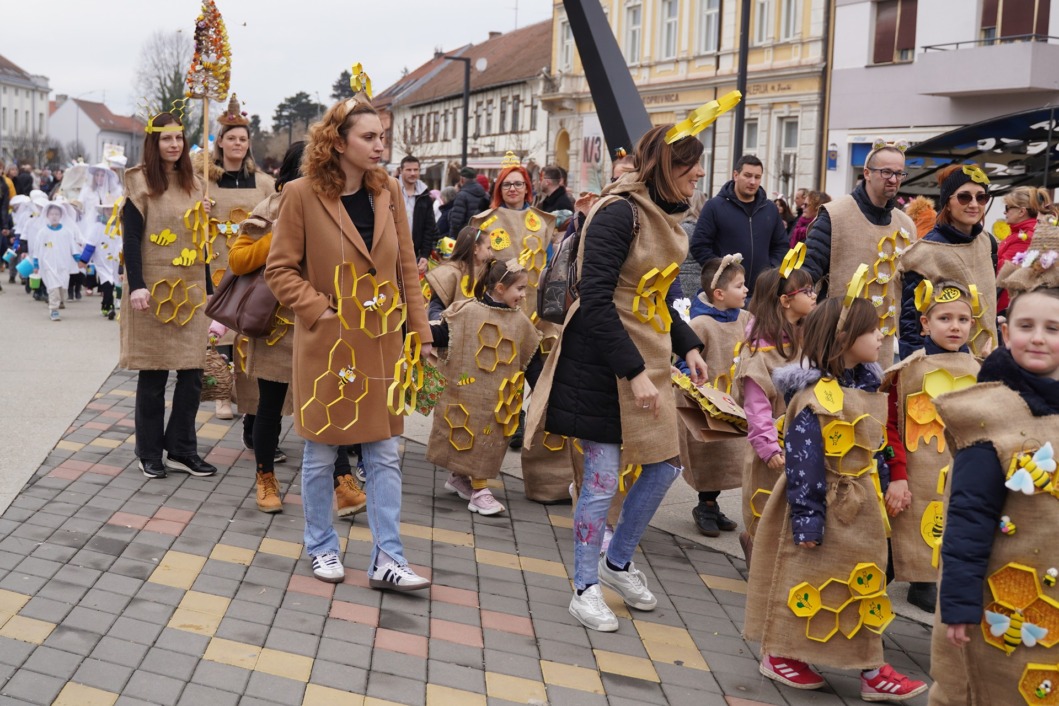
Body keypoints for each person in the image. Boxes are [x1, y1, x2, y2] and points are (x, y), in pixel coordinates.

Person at [525, 124, 709, 632]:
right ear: (664, 166)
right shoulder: (618, 212)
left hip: (646, 355)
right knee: (603, 478)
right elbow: (597, 298)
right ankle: (585, 588)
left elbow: (655, 293)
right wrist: (633, 373)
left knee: (665, 465)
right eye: (689, 163)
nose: (698, 172)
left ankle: (618, 562)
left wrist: (688, 344)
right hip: (600, 362)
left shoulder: (667, 216)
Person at [265, 87, 432, 589]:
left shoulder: (388, 192)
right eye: (369, 137)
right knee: (321, 454)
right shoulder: (301, 194)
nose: (380, 145)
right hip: (327, 346)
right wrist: (322, 310)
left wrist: (422, 333)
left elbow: (406, 267)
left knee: (383, 453)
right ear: (338, 142)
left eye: (382, 136)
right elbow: (279, 270)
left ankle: (388, 558)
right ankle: (321, 546)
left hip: (381, 342)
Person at [745, 294, 927, 701]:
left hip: (862, 508)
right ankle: (783, 653)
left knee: (864, 582)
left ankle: (870, 666)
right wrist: (808, 519)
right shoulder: (812, 397)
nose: (881, 336)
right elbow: (804, 462)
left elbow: (876, 445)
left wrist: (891, 479)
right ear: (844, 338)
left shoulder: (869, 387)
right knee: (806, 579)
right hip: (821, 505)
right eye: (872, 329)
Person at [927, 228, 1059, 705]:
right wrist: (959, 603)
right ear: (1005, 332)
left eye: (1053, 328)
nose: (1038, 338)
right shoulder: (991, 415)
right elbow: (970, 515)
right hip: (999, 600)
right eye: (1026, 326)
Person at [120, 110, 217, 481]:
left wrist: (210, 291)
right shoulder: (139, 182)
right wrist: (137, 284)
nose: (174, 144)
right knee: (154, 375)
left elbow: (201, 243)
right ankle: (148, 451)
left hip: (190, 293)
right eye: (166, 138)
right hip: (152, 293)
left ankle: (181, 449)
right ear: (154, 141)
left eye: (179, 137)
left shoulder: (197, 184)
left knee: (192, 375)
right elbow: (131, 238)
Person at [881, 280, 980, 615]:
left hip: (959, 478)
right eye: (944, 318)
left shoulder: (981, 371)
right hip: (912, 480)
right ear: (925, 323)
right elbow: (889, 426)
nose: (955, 327)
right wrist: (897, 475)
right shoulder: (908, 371)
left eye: (962, 319)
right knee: (896, 542)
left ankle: (930, 582)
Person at [428, 258, 543, 515]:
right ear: (500, 288)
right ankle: (479, 490)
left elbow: (532, 359)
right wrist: (413, 329)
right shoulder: (467, 312)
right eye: (520, 288)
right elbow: (443, 335)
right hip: (465, 395)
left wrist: (542, 390)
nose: (524, 295)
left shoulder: (521, 322)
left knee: (489, 437)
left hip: (499, 402)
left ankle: (459, 478)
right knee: (466, 433)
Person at [197, 94, 277, 424]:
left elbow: (277, 213)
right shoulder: (205, 181)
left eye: (243, 139)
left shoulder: (264, 183)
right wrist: (197, 209)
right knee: (219, 332)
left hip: (249, 264)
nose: (238, 144)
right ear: (220, 142)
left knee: (247, 332)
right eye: (232, 138)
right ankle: (220, 394)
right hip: (215, 263)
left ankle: (248, 397)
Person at [803, 141, 918, 364]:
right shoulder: (835, 215)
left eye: (899, 173)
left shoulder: (906, 225)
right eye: (886, 172)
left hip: (883, 345)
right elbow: (807, 274)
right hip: (837, 340)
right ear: (867, 173)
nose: (893, 179)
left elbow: (909, 290)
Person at [733, 260, 816, 564]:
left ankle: (778, 558)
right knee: (765, 500)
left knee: (794, 503)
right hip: (772, 444)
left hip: (802, 438)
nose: (814, 296)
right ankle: (755, 545)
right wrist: (768, 446)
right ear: (785, 301)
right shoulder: (760, 351)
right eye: (806, 291)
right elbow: (756, 406)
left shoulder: (804, 337)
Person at [676, 255, 749, 537]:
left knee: (728, 455)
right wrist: (693, 380)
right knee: (709, 454)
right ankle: (705, 505)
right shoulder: (701, 324)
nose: (746, 290)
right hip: (708, 403)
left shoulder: (745, 319)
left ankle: (712, 504)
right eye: (739, 286)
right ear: (719, 294)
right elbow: (685, 358)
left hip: (735, 402)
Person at [898, 164, 997, 360]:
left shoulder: (988, 242)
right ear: (947, 203)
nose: (974, 204)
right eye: (964, 197)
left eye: (981, 197)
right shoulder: (925, 252)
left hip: (987, 360)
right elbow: (910, 323)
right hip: (942, 364)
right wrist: (916, 366)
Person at [690, 155, 787, 294]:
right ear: (735, 175)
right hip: (726, 291)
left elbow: (781, 246)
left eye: (757, 177)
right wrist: (722, 270)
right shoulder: (714, 206)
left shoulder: (770, 209)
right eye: (747, 175)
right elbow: (699, 245)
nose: (752, 181)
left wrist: (770, 270)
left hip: (761, 292)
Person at [995, 185, 1053, 316]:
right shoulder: (1020, 233)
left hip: (1007, 305)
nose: (1005, 212)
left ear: (1021, 211)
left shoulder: (1025, 237)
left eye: (1007, 208)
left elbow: (1003, 270)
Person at [78, 163, 124, 319]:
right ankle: (107, 305)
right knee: (105, 280)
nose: (99, 178)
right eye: (97, 175)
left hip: (115, 255)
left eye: (102, 175)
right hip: (101, 252)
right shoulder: (97, 226)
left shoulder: (119, 224)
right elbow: (90, 245)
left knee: (116, 280)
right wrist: (84, 260)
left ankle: (113, 302)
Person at [425, 224, 492, 323]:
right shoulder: (449, 273)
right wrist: (446, 324)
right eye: (488, 248)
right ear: (475, 248)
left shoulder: (488, 271)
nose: (491, 253)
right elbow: (435, 308)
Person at [30, 203, 83, 320]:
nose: (54, 216)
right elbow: (37, 249)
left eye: (57, 214)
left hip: (63, 266)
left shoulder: (67, 232)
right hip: (48, 265)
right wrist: (36, 264)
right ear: (47, 215)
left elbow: (73, 248)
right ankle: (53, 309)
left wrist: (79, 260)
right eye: (52, 214)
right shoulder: (42, 232)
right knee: (53, 288)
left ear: (61, 216)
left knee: (62, 288)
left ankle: (60, 301)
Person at [398, 155, 438, 275]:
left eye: (416, 170)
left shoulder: (425, 195)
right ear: (401, 171)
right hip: (392, 249)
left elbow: (429, 227)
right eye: (409, 170)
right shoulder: (390, 190)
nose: (413, 173)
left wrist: (425, 254)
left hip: (415, 252)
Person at [447, 167, 490, 237]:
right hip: (480, 235)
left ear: (462, 179)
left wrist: (453, 236)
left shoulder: (461, 196)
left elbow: (456, 222)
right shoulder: (485, 194)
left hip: (465, 236)